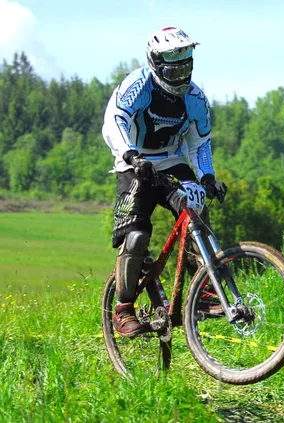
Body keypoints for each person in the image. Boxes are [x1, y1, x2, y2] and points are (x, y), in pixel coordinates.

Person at [102, 27, 227, 337]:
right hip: (135, 163)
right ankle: (123, 308)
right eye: (175, 69)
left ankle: (205, 289)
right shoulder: (138, 85)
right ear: (157, 65)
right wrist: (131, 156)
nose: (182, 75)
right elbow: (113, 120)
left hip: (172, 162)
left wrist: (208, 177)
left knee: (196, 213)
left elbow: (200, 143)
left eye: (187, 67)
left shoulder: (195, 98)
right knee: (136, 237)